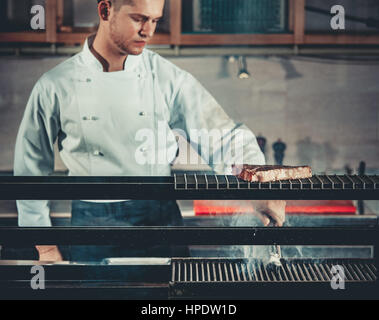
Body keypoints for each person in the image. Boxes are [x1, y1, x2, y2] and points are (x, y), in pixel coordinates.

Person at [14, 0, 286, 262]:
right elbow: (30, 167)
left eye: (155, 20)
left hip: (159, 215)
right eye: (139, 18)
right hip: (92, 220)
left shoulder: (166, 76)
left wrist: (257, 185)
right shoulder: (55, 85)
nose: (149, 31)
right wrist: (45, 244)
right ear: (105, 10)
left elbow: (221, 134)